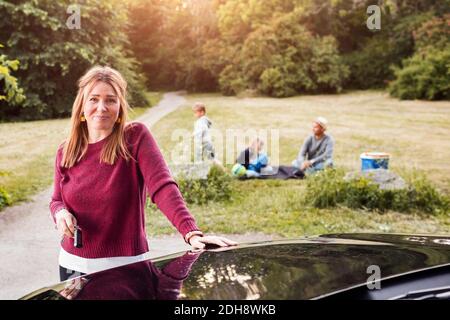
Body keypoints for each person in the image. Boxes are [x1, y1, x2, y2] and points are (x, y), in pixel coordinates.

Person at [49, 66, 237, 281]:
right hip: (72, 267)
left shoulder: (134, 137)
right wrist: (61, 213)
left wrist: (191, 232)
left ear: (119, 107)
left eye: (110, 100)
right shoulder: (66, 151)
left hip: (126, 268)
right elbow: (56, 200)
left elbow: (163, 187)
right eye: (93, 99)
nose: (101, 107)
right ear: (82, 105)